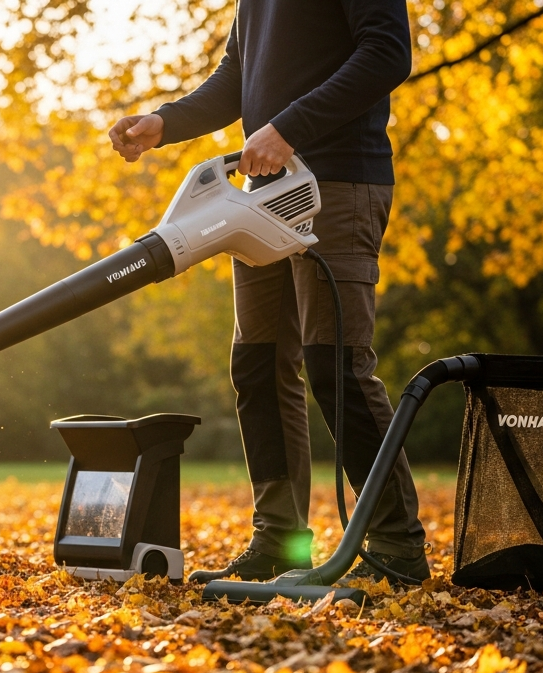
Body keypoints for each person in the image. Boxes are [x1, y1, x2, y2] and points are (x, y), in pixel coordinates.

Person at [108, 0, 426, 585]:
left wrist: (289, 128)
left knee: (337, 365)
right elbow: (238, 76)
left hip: (337, 181)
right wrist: (166, 123)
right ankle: (281, 539)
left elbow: (386, 53)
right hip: (260, 195)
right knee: (257, 363)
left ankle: (395, 545)